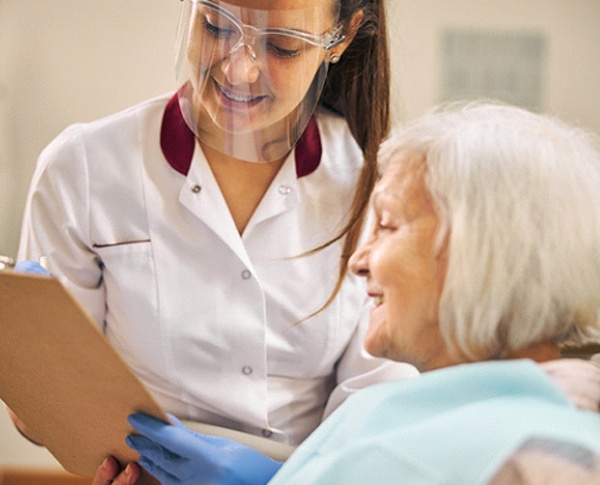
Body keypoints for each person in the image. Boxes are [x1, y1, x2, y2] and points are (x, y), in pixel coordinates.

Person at [12, 0, 420, 481]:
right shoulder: (83, 168)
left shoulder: (378, 187)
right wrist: (29, 360)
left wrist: (279, 481)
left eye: (283, 46)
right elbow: (40, 413)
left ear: (343, 38)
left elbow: (379, 409)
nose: (240, 68)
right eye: (215, 25)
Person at [117, 102, 600, 484]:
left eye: (386, 226)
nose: (358, 260)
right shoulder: (427, 417)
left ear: (482, 258)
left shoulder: (540, 461)